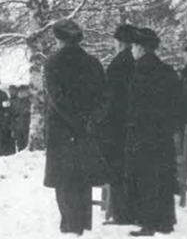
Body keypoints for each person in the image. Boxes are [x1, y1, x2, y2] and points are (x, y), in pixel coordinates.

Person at [44, 19, 109, 236]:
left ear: (59, 39)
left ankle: (70, 227)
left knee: (64, 183)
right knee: (83, 180)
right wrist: (89, 121)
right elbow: (104, 99)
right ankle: (80, 227)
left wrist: (76, 121)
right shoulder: (94, 63)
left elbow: (58, 99)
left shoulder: (52, 63)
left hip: (62, 132)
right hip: (87, 132)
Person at [124, 28, 181, 237]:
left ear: (140, 47)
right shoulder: (168, 71)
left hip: (142, 135)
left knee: (144, 178)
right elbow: (179, 106)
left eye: (133, 46)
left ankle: (147, 224)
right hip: (163, 136)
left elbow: (132, 107)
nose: (132, 50)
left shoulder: (137, 71)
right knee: (162, 178)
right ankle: (165, 222)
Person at [102, 24, 137, 226]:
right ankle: (130, 212)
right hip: (132, 126)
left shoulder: (117, 65)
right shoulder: (135, 63)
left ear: (120, 43)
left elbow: (110, 99)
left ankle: (121, 215)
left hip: (117, 126)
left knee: (117, 170)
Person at [0, 85, 18, 155]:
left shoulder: (18, 100)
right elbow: (5, 111)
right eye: (10, 91)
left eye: (13, 90)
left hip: (16, 123)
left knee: (14, 141)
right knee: (7, 140)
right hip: (7, 124)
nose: (11, 92)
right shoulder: (7, 100)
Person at [13, 85, 31, 152]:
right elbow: (14, 113)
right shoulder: (17, 101)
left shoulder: (29, 101)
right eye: (20, 91)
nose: (21, 93)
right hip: (18, 126)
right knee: (20, 144)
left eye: (23, 91)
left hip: (26, 125)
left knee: (26, 142)